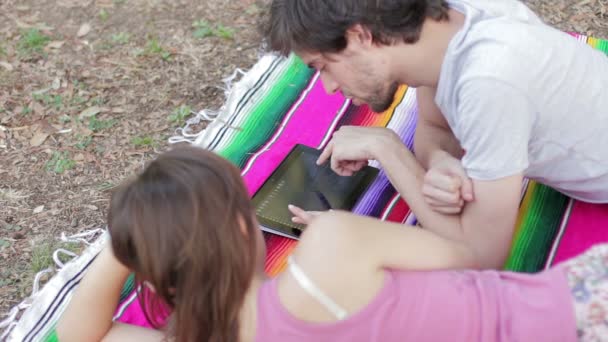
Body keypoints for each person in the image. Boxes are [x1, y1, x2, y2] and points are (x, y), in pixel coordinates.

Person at [56, 146, 608, 342]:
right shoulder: (336, 243)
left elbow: (81, 333)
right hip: (565, 317)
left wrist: (130, 234)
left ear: (153, 277)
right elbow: (471, 258)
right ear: (243, 227)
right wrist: (333, 232)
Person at [263, 0, 608, 269]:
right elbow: (435, 127)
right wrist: (442, 162)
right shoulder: (439, 27)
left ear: (360, 36)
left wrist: (389, 149)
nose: (328, 87)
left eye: (324, 66)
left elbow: (479, 257)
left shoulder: (489, 84)